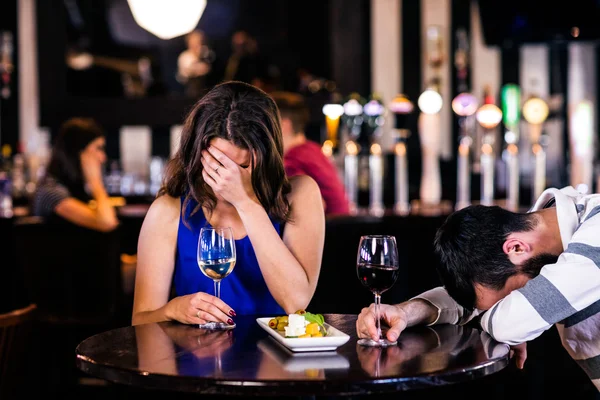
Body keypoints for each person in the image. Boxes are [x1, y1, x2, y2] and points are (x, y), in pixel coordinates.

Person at [356, 186, 600, 391]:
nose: (522, 299)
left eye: (512, 298)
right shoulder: (552, 243)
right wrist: (405, 312)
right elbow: (477, 303)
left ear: (516, 248)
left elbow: (509, 324)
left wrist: (513, 320)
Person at [131, 81, 325, 327]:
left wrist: (245, 202)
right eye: (218, 165)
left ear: (265, 158)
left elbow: (296, 302)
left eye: (243, 167)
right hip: (198, 359)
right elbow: (140, 321)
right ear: (197, 154)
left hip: (275, 359)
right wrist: (173, 309)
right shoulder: (168, 210)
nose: (227, 179)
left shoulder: (300, 194)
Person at [32, 117, 119, 232]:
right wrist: (96, 183)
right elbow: (107, 222)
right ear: (78, 152)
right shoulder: (51, 191)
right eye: (98, 148)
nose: (103, 157)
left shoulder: (68, 187)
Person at [270, 91, 350, 216]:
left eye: (267, 122)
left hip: (329, 230)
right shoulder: (312, 149)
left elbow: (311, 204)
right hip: (341, 226)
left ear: (284, 125)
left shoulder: (293, 159)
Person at [177, 30, 214, 98]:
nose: (195, 44)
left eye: (198, 41)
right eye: (193, 41)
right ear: (188, 42)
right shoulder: (184, 57)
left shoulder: (206, 53)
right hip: (189, 91)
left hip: (205, 90)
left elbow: (208, 68)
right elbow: (187, 73)